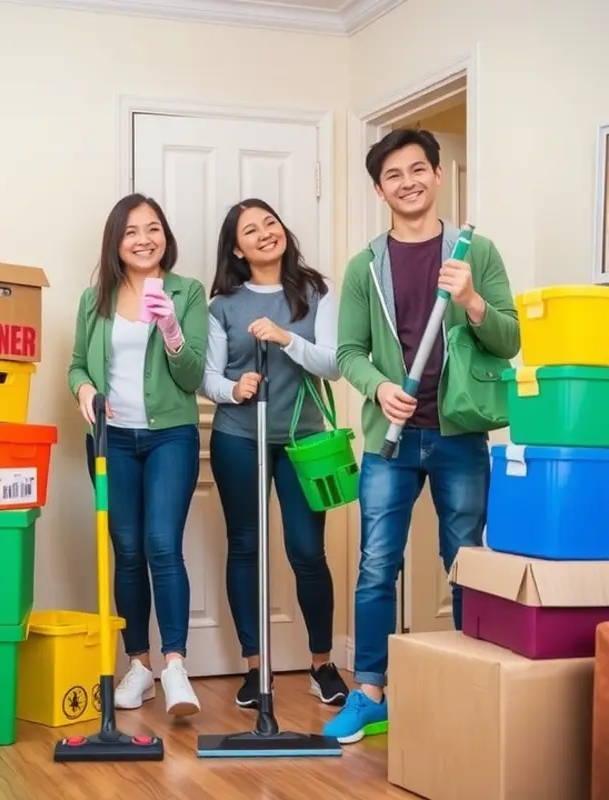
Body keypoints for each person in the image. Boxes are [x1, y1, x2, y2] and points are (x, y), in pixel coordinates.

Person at [325, 129, 520, 743]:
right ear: (379, 189)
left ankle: (467, 682)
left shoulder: (474, 252)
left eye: (417, 169)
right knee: (377, 563)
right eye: (393, 174)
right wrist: (380, 388)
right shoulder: (366, 266)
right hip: (393, 438)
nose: (407, 181)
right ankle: (370, 693)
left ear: (438, 176)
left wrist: (472, 301)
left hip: (459, 433)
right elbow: (349, 351)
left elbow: (509, 339)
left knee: (463, 560)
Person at [201, 198, 350, 710]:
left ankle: (321, 663)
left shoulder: (316, 292)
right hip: (240, 437)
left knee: (307, 551)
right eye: (251, 230)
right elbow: (208, 377)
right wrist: (233, 389)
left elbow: (333, 365)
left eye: (270, 222)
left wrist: (286, 338)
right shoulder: (222, 305)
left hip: (303, 441)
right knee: (245, 546)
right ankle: (253, 666)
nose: (265, 233)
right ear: (237, 249)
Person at [68, 193, 208, 717]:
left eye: (153, 229)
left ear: (165, 236)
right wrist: (83, 392)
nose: (144, 239)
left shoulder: (187, 292)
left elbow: (192, 377)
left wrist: (172, 329)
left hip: (171, 435)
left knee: (161, 544)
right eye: (131, 231)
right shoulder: (94, 299)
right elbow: (76, 367)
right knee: (126, 549)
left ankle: (175, 667)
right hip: (112, 441)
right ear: (116, 242)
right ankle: (140, 666)